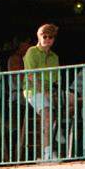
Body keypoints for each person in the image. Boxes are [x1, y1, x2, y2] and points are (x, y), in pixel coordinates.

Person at [22, 23, 62, 161]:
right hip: (32, 90)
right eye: (44, 36)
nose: (47, 39)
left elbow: (55, 80)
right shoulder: (31, 52)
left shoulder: (54, 57)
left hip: (50, 91)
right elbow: (30, 76)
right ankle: (47, 153)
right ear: (39, 37)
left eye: (51, 37)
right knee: (47, 114)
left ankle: (59, 130)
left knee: (72, 103)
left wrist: (53, 92)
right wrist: (44, 91)